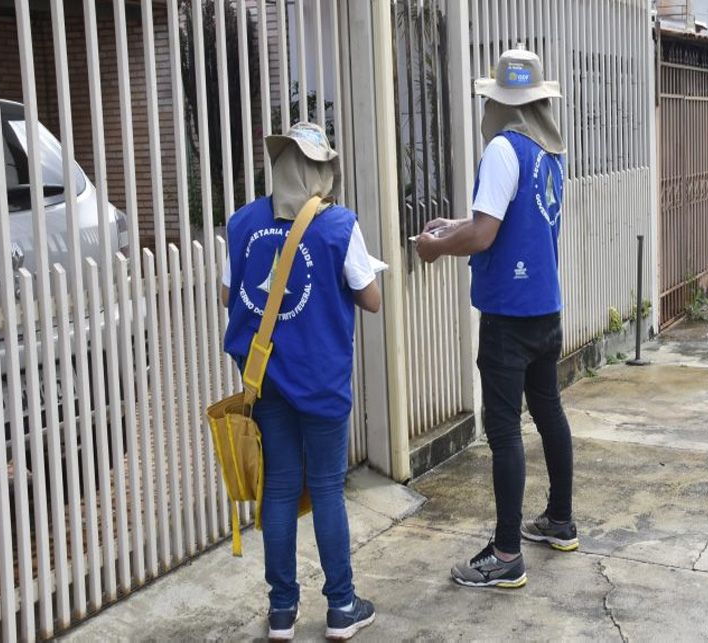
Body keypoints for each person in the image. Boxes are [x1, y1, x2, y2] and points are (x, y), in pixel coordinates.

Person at [415, 49, 578, 589]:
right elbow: (501, 218)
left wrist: (436, 246)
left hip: (508, 314)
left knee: (504, 429)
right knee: (548, 410)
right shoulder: (547, 151)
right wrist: (454, 223)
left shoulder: (503, 151)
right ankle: (559, 519)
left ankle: (507, 551)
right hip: (545, 308)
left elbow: (485, 235)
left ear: (500, 104)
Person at [221, 122, 380, 639]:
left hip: (265, 381)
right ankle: (340, 606)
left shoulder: (243, 222)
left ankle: (282, 612)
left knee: (282, 489)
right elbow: (371, 298)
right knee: (329, 488)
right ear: (319, 170)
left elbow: (230, 297)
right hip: (321, 383)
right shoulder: (339, 226)